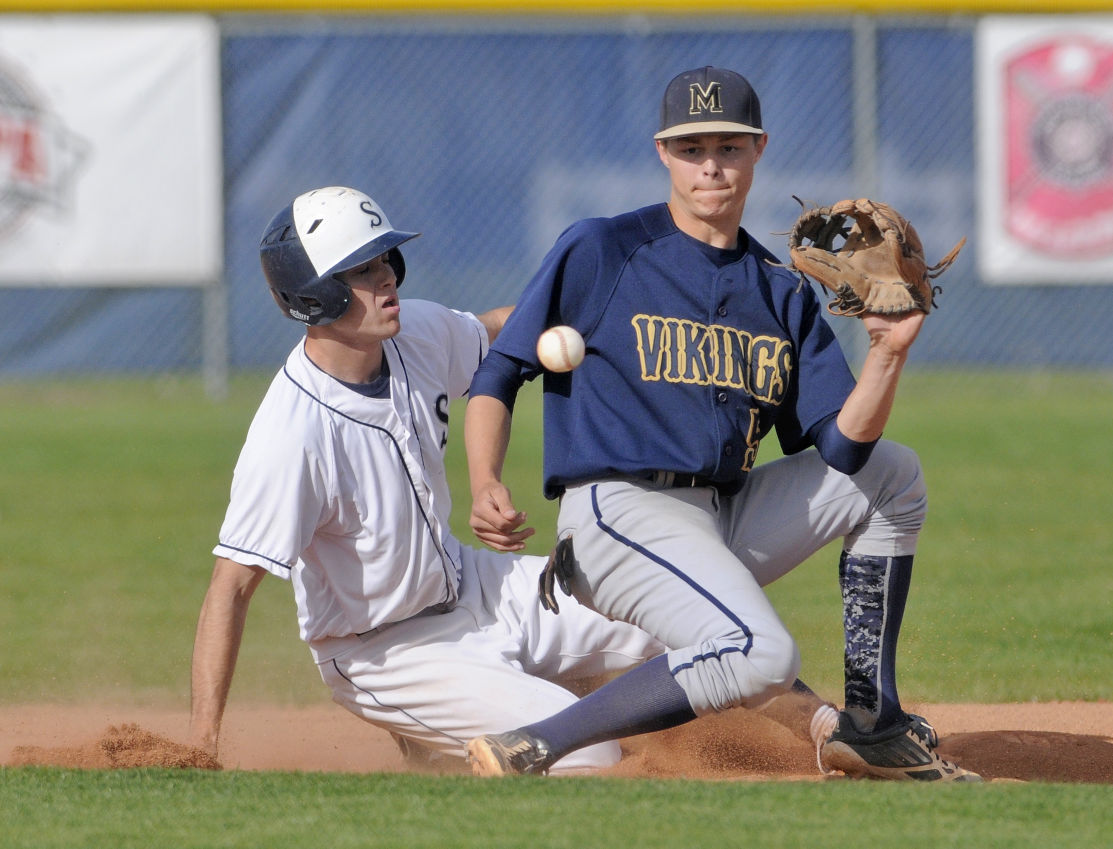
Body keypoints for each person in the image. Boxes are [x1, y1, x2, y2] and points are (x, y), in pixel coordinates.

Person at [463, 67, 980, 782]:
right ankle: (534, 742)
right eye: (691, 147)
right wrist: (484, 477)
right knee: (761, 653)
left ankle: (870, 719)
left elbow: (841, 448)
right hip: (616, 512)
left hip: (716, 516)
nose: (710, 164)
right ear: (662, 154)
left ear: (758, 149)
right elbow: (500, 370)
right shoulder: (602, 249)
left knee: (892, 472)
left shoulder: (779, 291)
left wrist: (886, 355)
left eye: (728, 147)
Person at [188, 185, 669, 774]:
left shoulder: (415, 331)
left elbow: (499, 329)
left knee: (663, 611)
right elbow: (229, 588)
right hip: (384, 651)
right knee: (589, 751)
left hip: (470, 583)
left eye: (385, 258)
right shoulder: (293, 436)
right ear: (315, 296)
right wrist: (201, 748)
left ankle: (812, 725)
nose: (387, 276)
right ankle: (454, 732)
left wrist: (601, 318)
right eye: (361, 269)